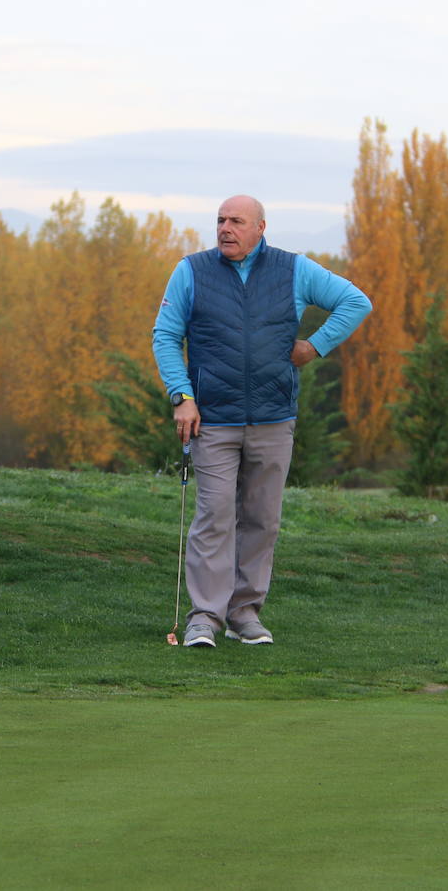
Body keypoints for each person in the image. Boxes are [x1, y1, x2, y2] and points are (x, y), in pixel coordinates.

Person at [152, 195, 372, 647]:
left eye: (236, 221)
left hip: (274, 418)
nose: (225, 229)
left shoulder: (295, 270)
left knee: (262, 520)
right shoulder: (191, 271)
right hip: (212, 419)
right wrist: (182, 397)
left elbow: (355, 301)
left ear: (260, 228)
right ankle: (205, 618)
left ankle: (245, 614)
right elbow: (166, 336)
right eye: (220, 221)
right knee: (214, 516)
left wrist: (315, 346)